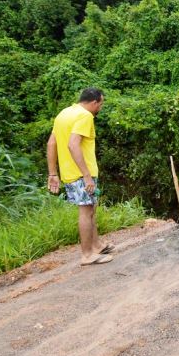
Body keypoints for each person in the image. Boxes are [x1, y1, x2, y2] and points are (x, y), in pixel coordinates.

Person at [46, 87, 115, 265]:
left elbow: (51, 142)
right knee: (86, 212)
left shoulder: (64, 113)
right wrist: (86, 176)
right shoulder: (85, 116)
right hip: (82, 173)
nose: (100, 108)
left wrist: (53, 173)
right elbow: (73, 144)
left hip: (70, 172)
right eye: (101, 104)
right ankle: (87, 255)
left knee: (91, 208)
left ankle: (97, 246)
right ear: (94, 102)